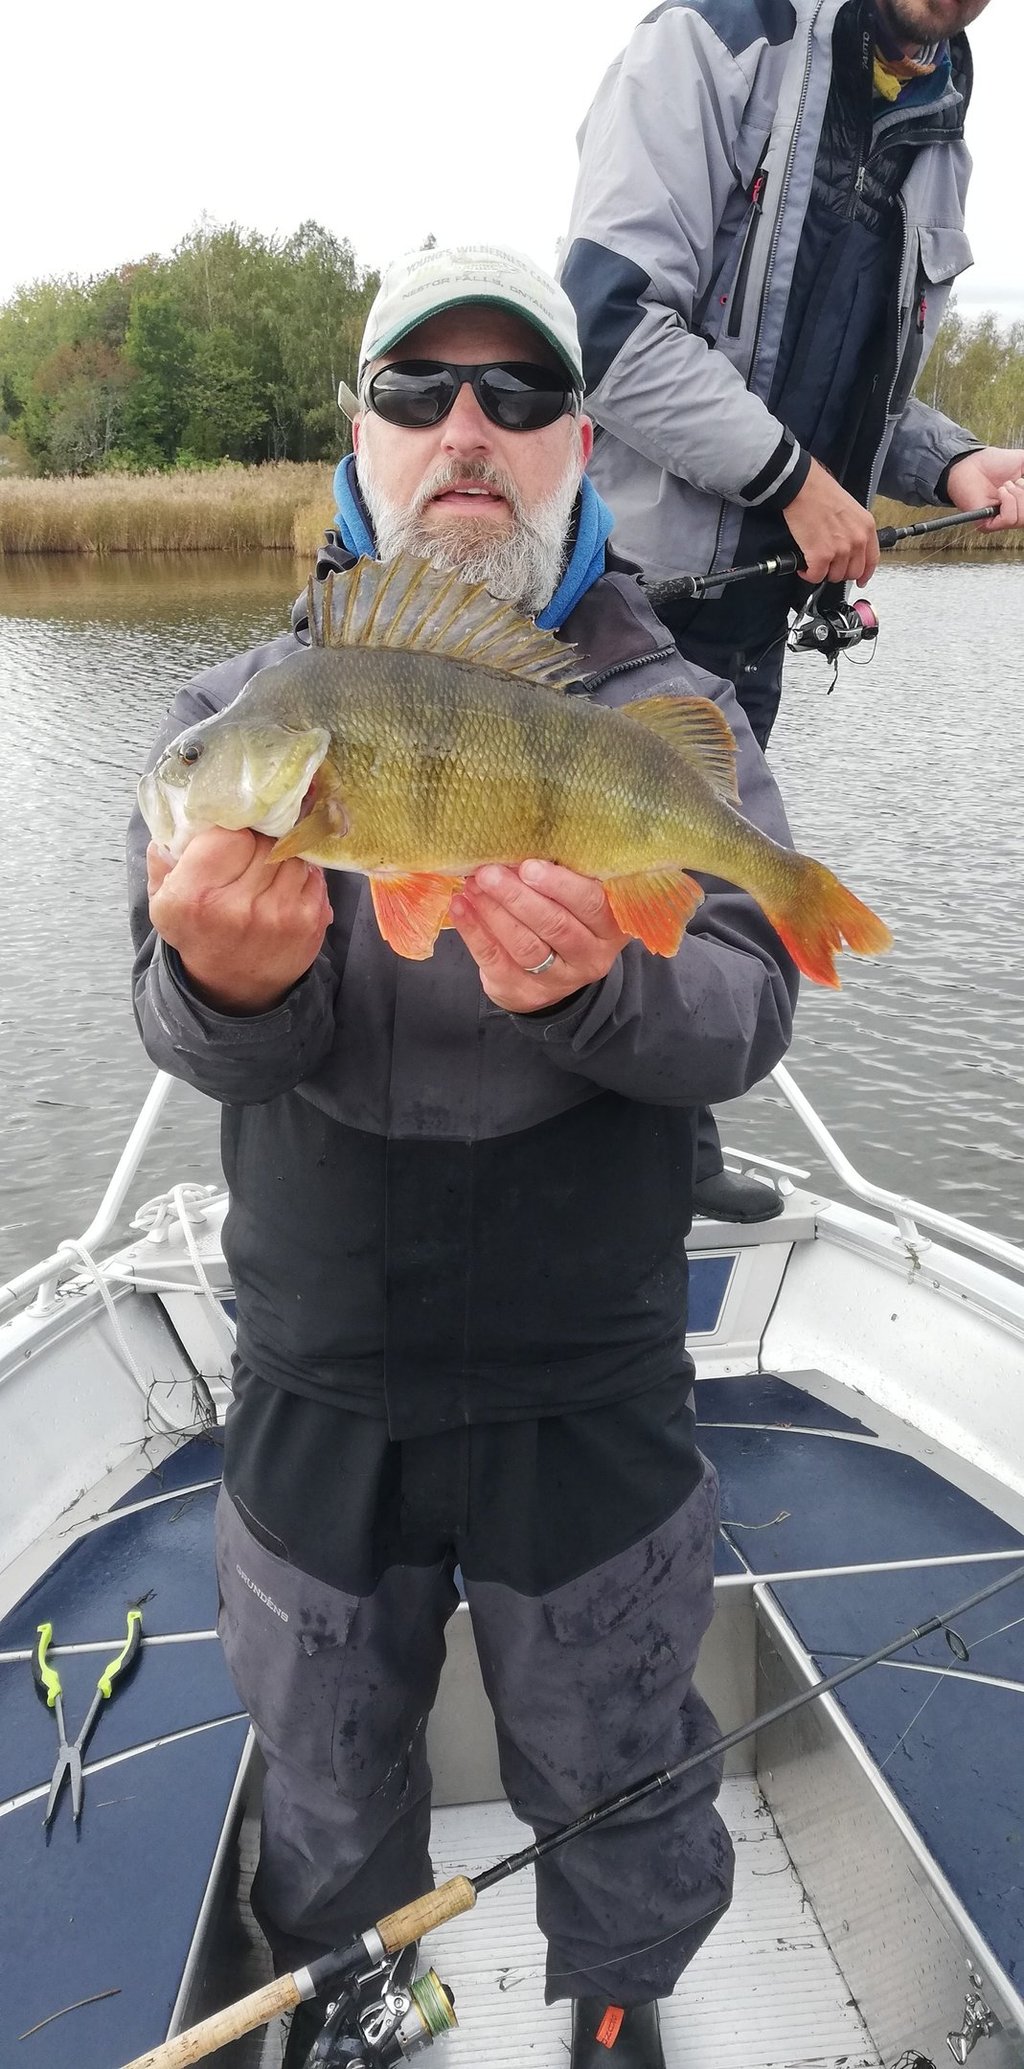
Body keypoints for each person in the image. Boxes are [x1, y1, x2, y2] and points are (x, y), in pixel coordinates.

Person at [128, 244, 799, 2069]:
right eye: (419, 389)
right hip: (318, 1371)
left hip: (585, 1374)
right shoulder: (241, 712)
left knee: (618, 1753)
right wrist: (221, 981)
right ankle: (359, 1983)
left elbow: (743, 1011)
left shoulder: (674, 714)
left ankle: (613, 2001)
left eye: (513, 394)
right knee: (325, 1766)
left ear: (578, 436)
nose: (466, 431)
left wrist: (598, 990)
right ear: (360, 431)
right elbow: (174, 1021)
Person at [560, 0, 1024, 1221]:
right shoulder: (713, 42)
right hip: (621, 598)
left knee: (685, 890)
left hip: (753, 617)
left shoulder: (937, 115)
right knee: (566, 867)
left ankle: (664, 1137)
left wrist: (950, 460)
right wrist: (798, 486)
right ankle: (540, 1156)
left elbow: (848, 390)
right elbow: (604, 330)